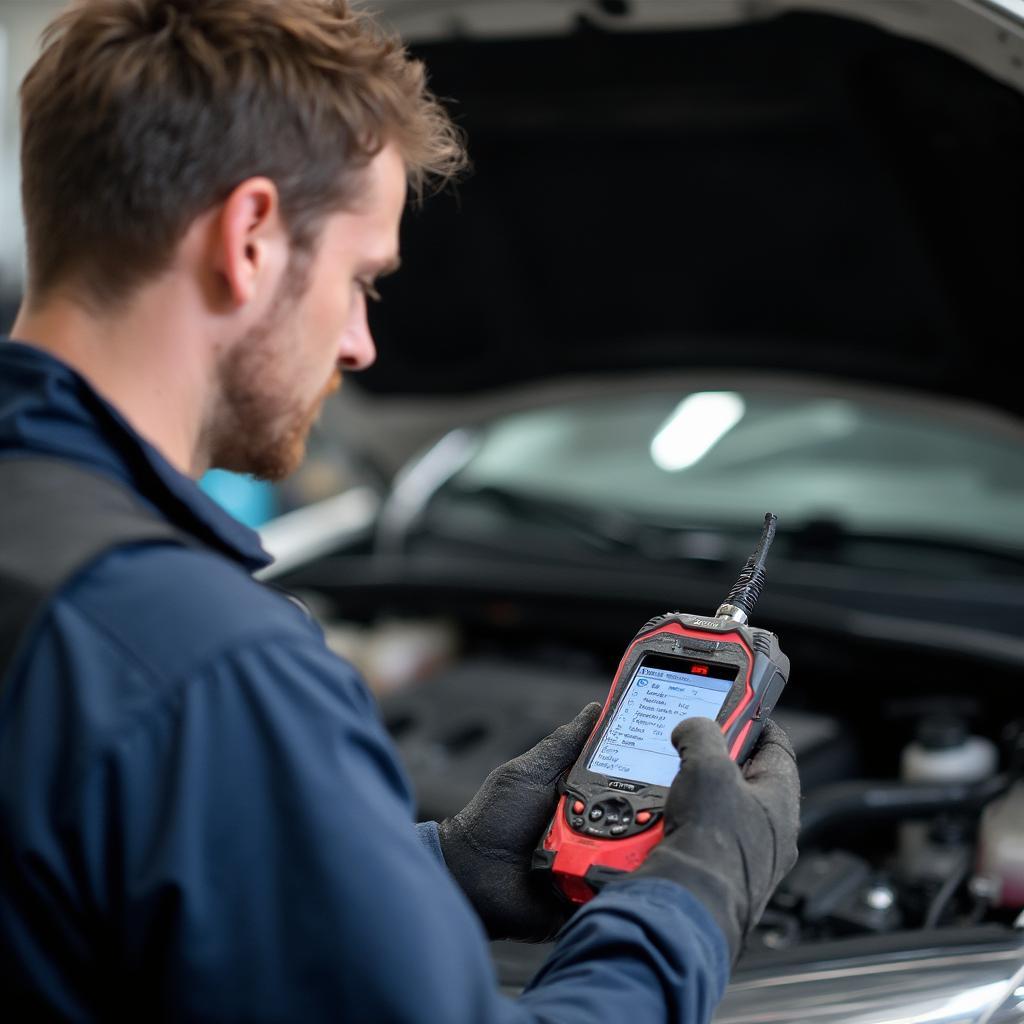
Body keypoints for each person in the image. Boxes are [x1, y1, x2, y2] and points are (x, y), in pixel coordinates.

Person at [0, 1, 801, 1020]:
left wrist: (432, 869)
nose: (361, 346)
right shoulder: (200, 668)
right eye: (359, 280)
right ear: (248, 238)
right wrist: (690, 900)